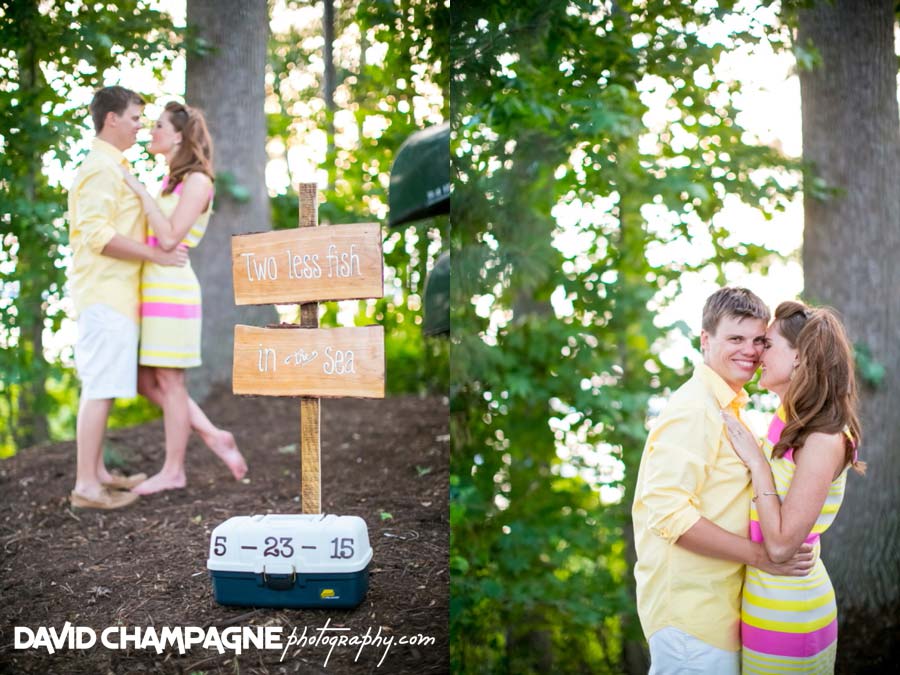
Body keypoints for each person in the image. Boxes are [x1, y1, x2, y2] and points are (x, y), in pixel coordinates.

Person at [632, 287, 816, 674]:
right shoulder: (694, 408)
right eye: (735, 338)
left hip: (718, 616)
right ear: (705, 340)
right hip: (691, 623)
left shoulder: (729, 409)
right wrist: (763, 557)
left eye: (759, 340)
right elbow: (668, 514)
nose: (750, 350)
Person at [722, 301, 864, 674]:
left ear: (799, 357)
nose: (757, 353)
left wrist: (757, 463)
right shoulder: (786, 420)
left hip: (791, 611)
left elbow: (783, 545)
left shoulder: (824, 438)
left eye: (768, 344)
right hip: (762, 602)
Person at [68, 86, 189, 509]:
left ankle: (98, 472)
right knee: (100, 388)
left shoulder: (114, 167)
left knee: (103, 385)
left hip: (116, 295)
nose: (141, 125)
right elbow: (99, 235)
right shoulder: (102, 169)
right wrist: (155, 254)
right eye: (136, 118)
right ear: (111, 120)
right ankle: (86, 487)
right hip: (105, 294)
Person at [120, 101, 247, 495]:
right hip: (151, 286)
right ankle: (213, 434)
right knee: (145, 381)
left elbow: (172, 237)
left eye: (157, 125)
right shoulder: (170, 181)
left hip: (172, 290)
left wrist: (139, 191)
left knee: (171, 382)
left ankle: (174, 471)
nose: (149, 131)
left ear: (178, 135)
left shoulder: (199, 181)